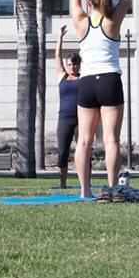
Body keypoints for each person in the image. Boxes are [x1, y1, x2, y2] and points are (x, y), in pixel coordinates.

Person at [71, 0, 132, 198]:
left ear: (89, 2)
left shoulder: (81, 22)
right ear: (106, 0)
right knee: (111, 140)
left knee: (84, 141)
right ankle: (112, 189)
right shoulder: (112, 21)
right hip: (109, 80)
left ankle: (85, 191)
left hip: (86, 83)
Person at [55, 24, 80, 189]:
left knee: (83, 151)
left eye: (75, 64)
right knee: (63, 152)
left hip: (81, 118)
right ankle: (62, 183)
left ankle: (85, 182)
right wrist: (60, 37)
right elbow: (57, 55)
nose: (72, 67)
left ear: (79, 65)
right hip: (65, 118)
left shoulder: (84, 77)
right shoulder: (62, 76)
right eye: (70, 65)